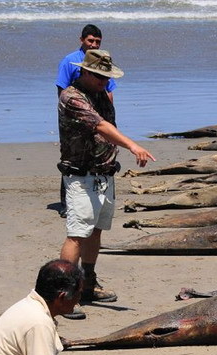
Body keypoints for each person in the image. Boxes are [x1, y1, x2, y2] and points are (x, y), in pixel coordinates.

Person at [57, 49, 155, 316]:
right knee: (77, 234)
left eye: (106, 77)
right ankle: (64, 293)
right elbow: (100, 126)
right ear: (85, 72)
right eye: (99, 76)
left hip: (104, 173)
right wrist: (133, 146)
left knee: (96, 231)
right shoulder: (72, 97)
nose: (104, 81)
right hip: (80, 175)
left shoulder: (101, 95)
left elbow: (109, 126)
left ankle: (88, 283)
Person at [55, 24, 116, 214]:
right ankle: (67, 203)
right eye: (90, 40)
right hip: (77, 115)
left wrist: (109, 120)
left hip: (99, 113)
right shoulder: (70, 61)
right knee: (74, 160)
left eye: (97, 41)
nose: (94, 44)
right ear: (82, 40)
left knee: (100, 156)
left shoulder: (103, 61)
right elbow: (62, 90)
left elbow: (109, 91)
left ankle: (103, 197)